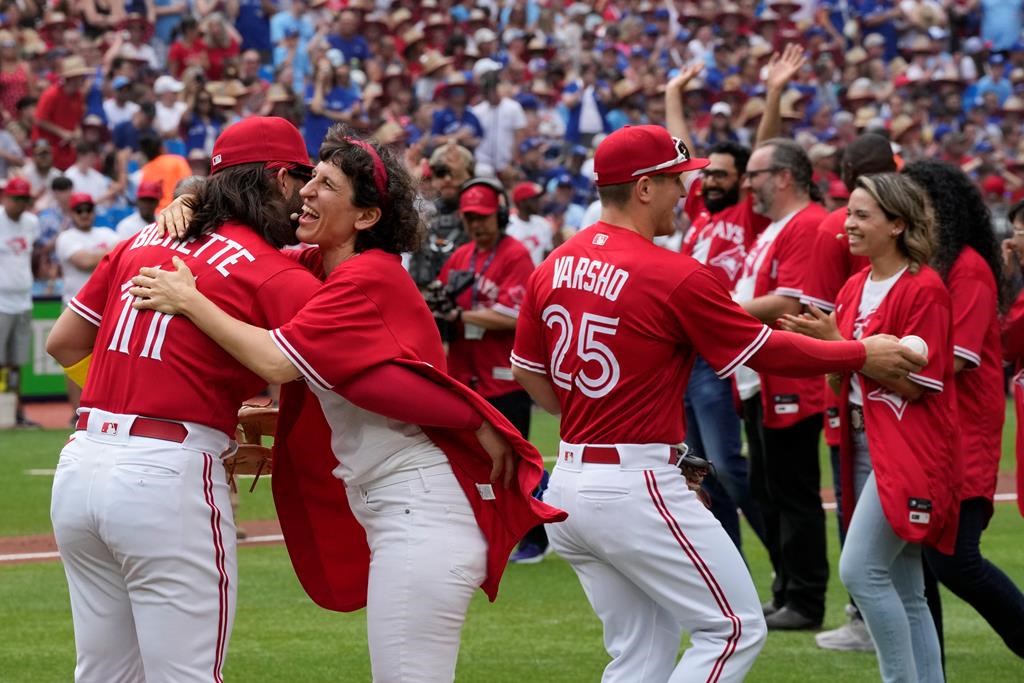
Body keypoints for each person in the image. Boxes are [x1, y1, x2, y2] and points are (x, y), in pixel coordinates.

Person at [128, 127, 565, 682]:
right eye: (310, 178)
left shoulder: (365, 277)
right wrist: (195, 197)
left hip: (423, 507)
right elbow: (361, 386)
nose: (307, 191)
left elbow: (278, 363)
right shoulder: (323, 265)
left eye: (327, 185)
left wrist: (187, 299)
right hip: (401, 501)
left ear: (366, 218)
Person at [510, 125, 928, 682]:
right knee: (733, 629)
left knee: (639, 653)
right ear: (642, 187)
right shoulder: (672, 273)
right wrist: (858, 354)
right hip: (634, 486)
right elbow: (768, 350)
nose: (686, 190)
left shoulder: (554, 263)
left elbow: (526, 370)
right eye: (676, 178)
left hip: (568, 482)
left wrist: (592, 420)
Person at [44, 116, 323, 682]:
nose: (304, 193)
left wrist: (141, 393)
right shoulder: (273, 272)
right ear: (276, 176)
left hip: (80, 464)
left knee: (103, 674)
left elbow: (63, 341)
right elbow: (340, 365)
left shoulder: (143, 238)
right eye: (300, 177)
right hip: (167, 474)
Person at [779, 173, 959, 683]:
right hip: (862, 441)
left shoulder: (924, 287)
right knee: (907, 590)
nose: (848, 225)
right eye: (849, 213)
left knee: (860, 570)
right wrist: (827, 349)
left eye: (862, 215)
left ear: (898, 225)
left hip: (908, 447)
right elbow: (844, 370)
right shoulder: (855, 285)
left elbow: (917, 385)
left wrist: (839, 343)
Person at [902, 159, 1024, 659]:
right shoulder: (937, 265)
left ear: (942, 207)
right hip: (932, 426)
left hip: (964, 428)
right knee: (921, 565)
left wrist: (880, 362)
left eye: (917, 203)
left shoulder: (969, 268)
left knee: (955, 561)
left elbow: (960, 356)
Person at [667, 61, 772, 558]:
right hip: (685, 354)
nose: (710, 182)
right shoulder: (696, 217)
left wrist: (773, 93)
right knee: (701, 467)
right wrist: (673, 92)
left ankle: (781, 552)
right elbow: (683, 154)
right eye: (707, 177)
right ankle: (730, 560)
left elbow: (763, 157)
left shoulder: (747, 216)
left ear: (742, 181)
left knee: (728, 464)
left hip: (718, 353)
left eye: (722, 176)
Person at [800, 132, 896, 652]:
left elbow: (816, 319)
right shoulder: (837, 230)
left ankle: (865, 616)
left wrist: (837, 360)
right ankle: (866, 615)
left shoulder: (835, 227)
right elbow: (821, 317)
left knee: (863, 504)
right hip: (856, 381)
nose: (853, 224)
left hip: (875, 390)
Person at [54, 192, 119, 422]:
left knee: (109, 358)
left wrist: (103, 255)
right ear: (72, 213)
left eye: (88, 209)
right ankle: (75, 412)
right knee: (73, 358)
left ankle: (102, 408)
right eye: (79, 210)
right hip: (75, 308)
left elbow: (113, 255)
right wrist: (111, 253)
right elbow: (84, 261)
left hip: (107, 306)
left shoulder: (106, 232)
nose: (84, 214)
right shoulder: (66, 237)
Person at [0, 177, 40, 427]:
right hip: (0, 302)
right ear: (6, 197)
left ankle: (15, 412)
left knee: (16, 362)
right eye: (16, 198)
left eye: (24, 199)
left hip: (23, 301)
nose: (20, 204)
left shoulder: (31, 223)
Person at [506, 180, 552, 267]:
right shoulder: (508, 225)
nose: (539, 202)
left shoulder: (544, 224)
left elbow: (547, 257)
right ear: (522, 202)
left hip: (536, 276)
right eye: (534, 199)